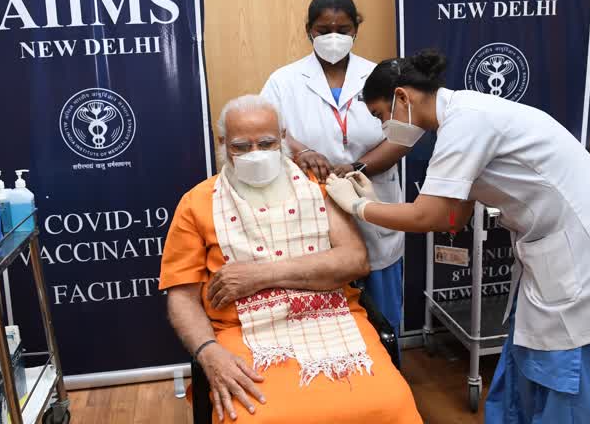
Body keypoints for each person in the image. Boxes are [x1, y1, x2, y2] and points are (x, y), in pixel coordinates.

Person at [325, 50, 590, 423]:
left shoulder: (467, 122)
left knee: (564, 385)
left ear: (402, 97)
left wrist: (358, 208)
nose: (385, 128)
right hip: (557, 254)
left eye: (381, 116)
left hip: (589, 258)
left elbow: (428, 214)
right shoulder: (461, 118)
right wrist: (371, 199)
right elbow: (453, 215)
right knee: (524, 369)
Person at [159, 95, 422, 424]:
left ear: (284, 137)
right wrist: (208, 352)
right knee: (257, 418)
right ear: (223, 143)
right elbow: (181, 296)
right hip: (242, 332)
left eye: (267, 143)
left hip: (333, 317)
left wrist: (259, 276)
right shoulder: (197, 203)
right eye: (241, 146)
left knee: (391, 405)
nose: (255, 154)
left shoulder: (317, 188)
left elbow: (354, 261)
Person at [261, 0, 408, 335]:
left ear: (356, 28)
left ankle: (389, 380)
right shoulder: (284, 81)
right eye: (323, 29)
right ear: (308, 30)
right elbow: (269, 132)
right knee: (324, 314)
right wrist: (300, 151)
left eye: (342, 29)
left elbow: (403, 135)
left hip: (373, 200)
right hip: (313, 203)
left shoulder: (380, 76)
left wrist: (360, 167)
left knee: (383, 313)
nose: (333, 38)